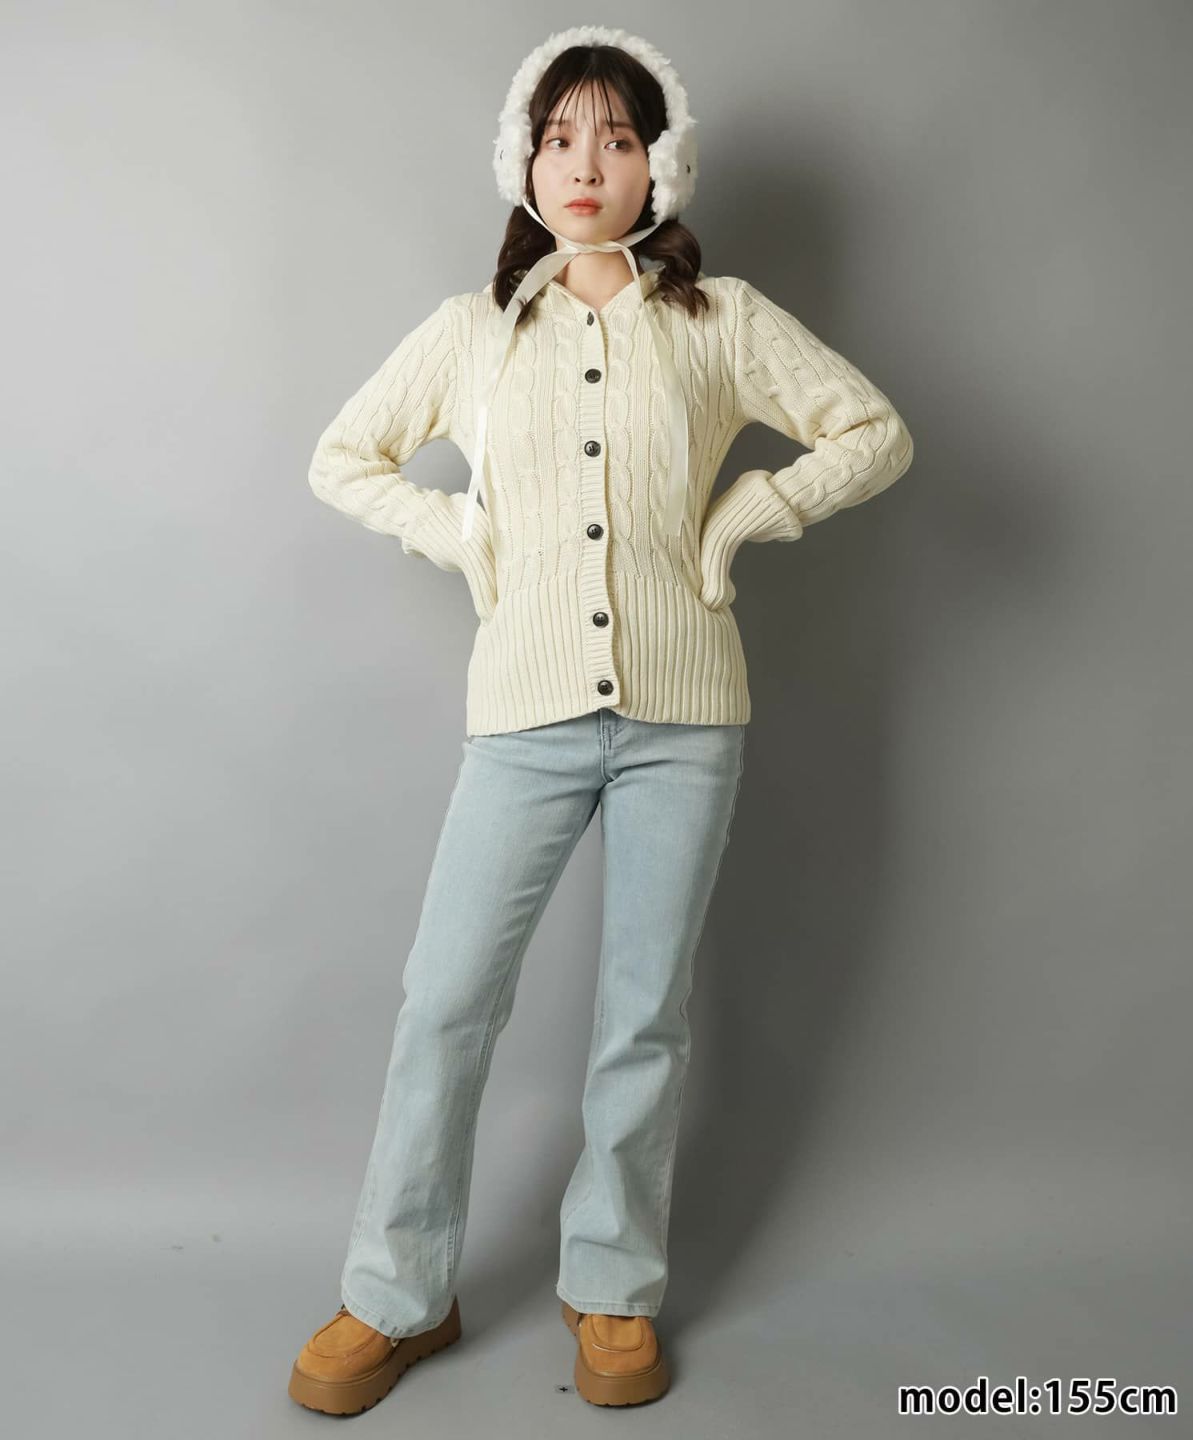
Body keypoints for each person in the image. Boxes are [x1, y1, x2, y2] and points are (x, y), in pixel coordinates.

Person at [288, 24, 914, 1416]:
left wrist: (755, 509)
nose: (587, 164)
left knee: (645, 1015)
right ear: (523, 164)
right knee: (446, 1001)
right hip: (522, 717)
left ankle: (613, 1285)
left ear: (659, 169)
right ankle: (396, 1294)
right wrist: (453, 531)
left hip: (688, 721)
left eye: (618, 140)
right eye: (560, 138)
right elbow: (344, 456)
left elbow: (871, 430)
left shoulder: (718, 320)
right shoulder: (473, 334)